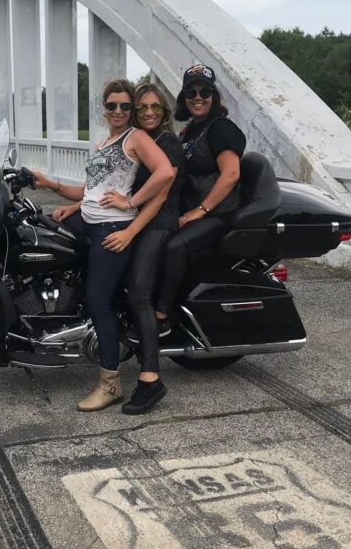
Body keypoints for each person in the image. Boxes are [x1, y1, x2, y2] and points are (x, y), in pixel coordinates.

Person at [32, 79, 173, 412]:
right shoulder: (104, 142)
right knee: (39, 232)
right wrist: (54, 188)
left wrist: (130, 202)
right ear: (104, 107)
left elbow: (165, 173)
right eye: (113, 106)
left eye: (126, 106)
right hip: (88, 220)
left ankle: (110, 384)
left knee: (99, 301)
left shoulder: (134, 138)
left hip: (111, 229)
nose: (119, 112)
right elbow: (91, 189)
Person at [155, 64, 245, 329]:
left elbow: (230, 174)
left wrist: (202, 210)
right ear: (183, 98)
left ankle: (161, 315)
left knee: (175, 247)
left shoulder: (220, 129)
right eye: (190, 91)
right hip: (192, 210)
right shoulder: (188, 131)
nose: (197, 97)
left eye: (204, 91)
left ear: (214, 96)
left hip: (219, 213)